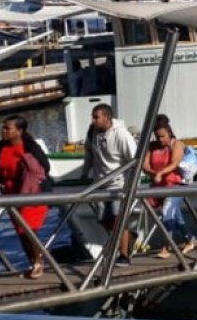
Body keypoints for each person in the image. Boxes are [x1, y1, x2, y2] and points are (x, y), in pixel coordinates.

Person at [0, 115, 52, 278]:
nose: (3, 131)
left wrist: (27, 170)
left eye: (8, 128)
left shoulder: (30, 147)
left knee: (28, 229)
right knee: (21, 232)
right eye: (3, 127)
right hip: (10, 193)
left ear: (20, 131)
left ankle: (39, 262)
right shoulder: (1, 146)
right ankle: (33, 262)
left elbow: (45, 167)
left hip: (32, 193)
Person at [82, 104, 138, 265]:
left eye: (96, 117)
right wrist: (85, 172)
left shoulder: (121, 135)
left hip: (118, 183)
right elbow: (90, 153)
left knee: (117, 218)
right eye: (93, 117)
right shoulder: (93, 132)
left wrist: (133, 184)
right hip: (99, 182)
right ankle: (129, 237)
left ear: (107, 117)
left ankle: (124, 255)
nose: (93, 120)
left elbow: (134, 159)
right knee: (102, 219)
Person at [142, 116, 191, 258]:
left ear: (169, 132)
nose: (160, 140)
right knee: (176, 216)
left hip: (175, 185)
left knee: (166, 212)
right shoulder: (152, 146)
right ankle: (190, 239)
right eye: (157, 137)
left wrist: (161, 173)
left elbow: (175, 163)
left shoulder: (177, 144)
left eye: (162, 136)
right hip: (158, 186)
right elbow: (145, 165)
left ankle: (166, 247)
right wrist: (154, 173)